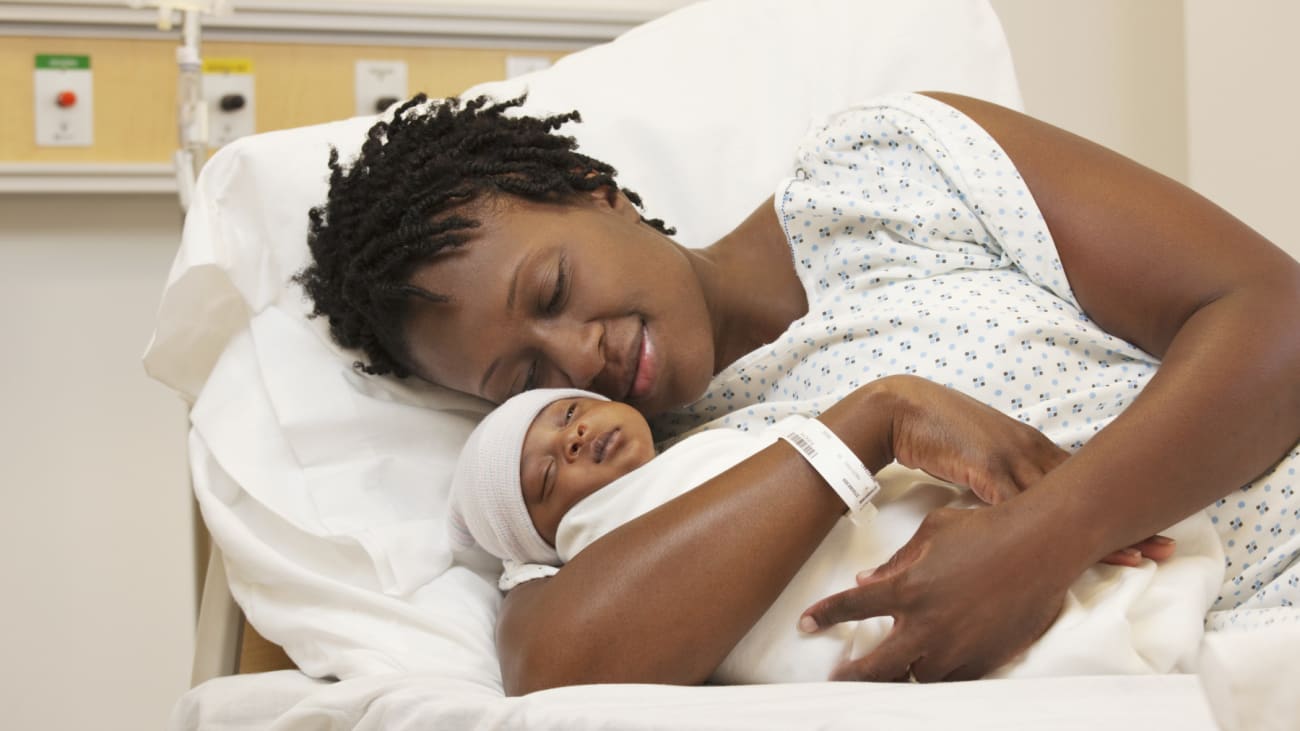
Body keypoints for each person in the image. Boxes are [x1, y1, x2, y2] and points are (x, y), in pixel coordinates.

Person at [296, 91, 1300, 693]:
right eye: (523, 375)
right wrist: (870, 417)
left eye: (552, 290)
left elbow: (1272, 314)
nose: (578, 356)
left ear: (595, 188)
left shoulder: (882, 172)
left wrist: (1044, 538)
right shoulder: (657, 484)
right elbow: (554, 673)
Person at [446, 386, 1219, 683]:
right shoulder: (596, 547)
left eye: (566, 414)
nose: (573, 440)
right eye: (547, 477)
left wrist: (1047, 528)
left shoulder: (724, 442)